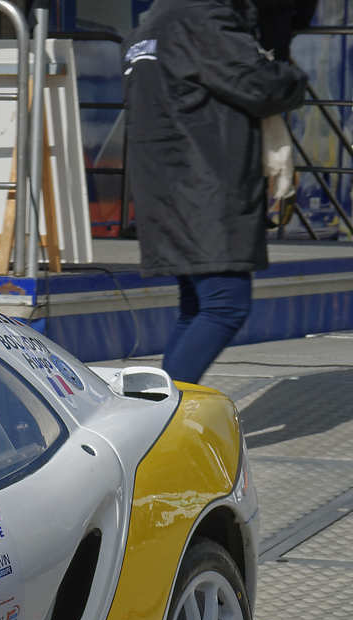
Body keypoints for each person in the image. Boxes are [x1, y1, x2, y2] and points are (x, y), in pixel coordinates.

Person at [125, 0, 307, 384]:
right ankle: (162, 416)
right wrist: (292, 76)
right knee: (226, 305)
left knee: (196, 307)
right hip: (203, 183)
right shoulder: (203, 16)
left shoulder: (153, 21)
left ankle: (167, 410)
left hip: (167, 182)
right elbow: (261, 85)